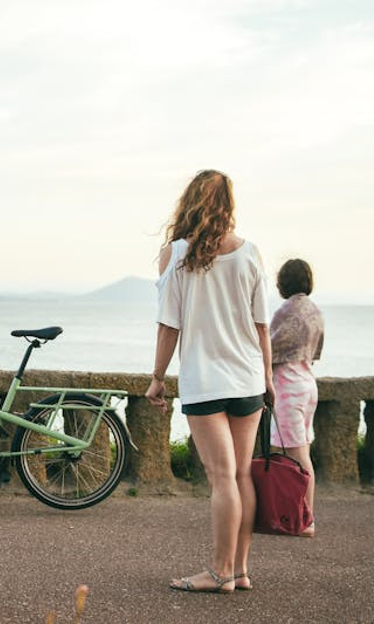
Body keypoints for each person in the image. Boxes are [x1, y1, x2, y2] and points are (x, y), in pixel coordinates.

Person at [145, 169, 273, 593]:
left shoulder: (176, 254)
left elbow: (169, 326)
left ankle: (219, 573)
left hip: (206, 379)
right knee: (240, 476)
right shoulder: (250, 252)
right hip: (249, 378)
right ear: (228, 205)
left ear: (191, 202)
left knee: (221, 477)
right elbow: (261, 326)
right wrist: (268, 377)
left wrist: (157, 378)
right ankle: (239, 570)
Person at [269, 258, 324, 537]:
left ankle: (305, 519)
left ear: (283, 282)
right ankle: (289, 514)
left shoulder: (285, 311)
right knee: (299, 452)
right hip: (307, 384)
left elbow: (269, 348)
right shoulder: (315, 311)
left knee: (298, 456)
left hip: (288, 387)